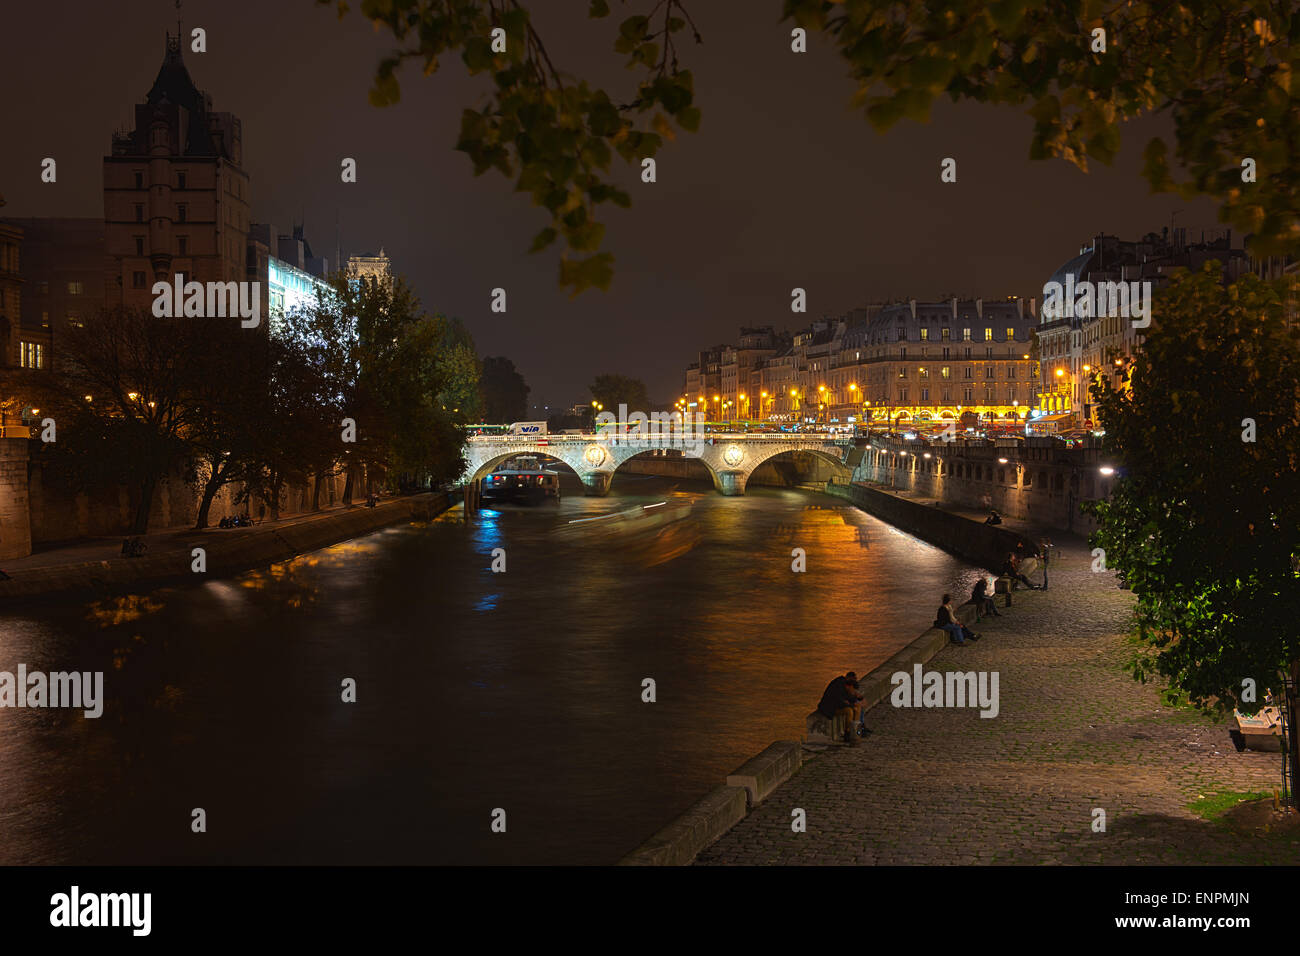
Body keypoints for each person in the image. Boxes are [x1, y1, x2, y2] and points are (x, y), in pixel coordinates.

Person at [817, 672, 864, 746]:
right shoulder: (838, 686)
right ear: (849, 686)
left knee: (856, 708)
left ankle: (855, 731)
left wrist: (857, 697)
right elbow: (840, 702)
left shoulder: (844, 686)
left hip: (837, 706)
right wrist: (852, 703)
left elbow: (848, 698)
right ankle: (848, 732)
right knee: (849, 711)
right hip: (829, 708)